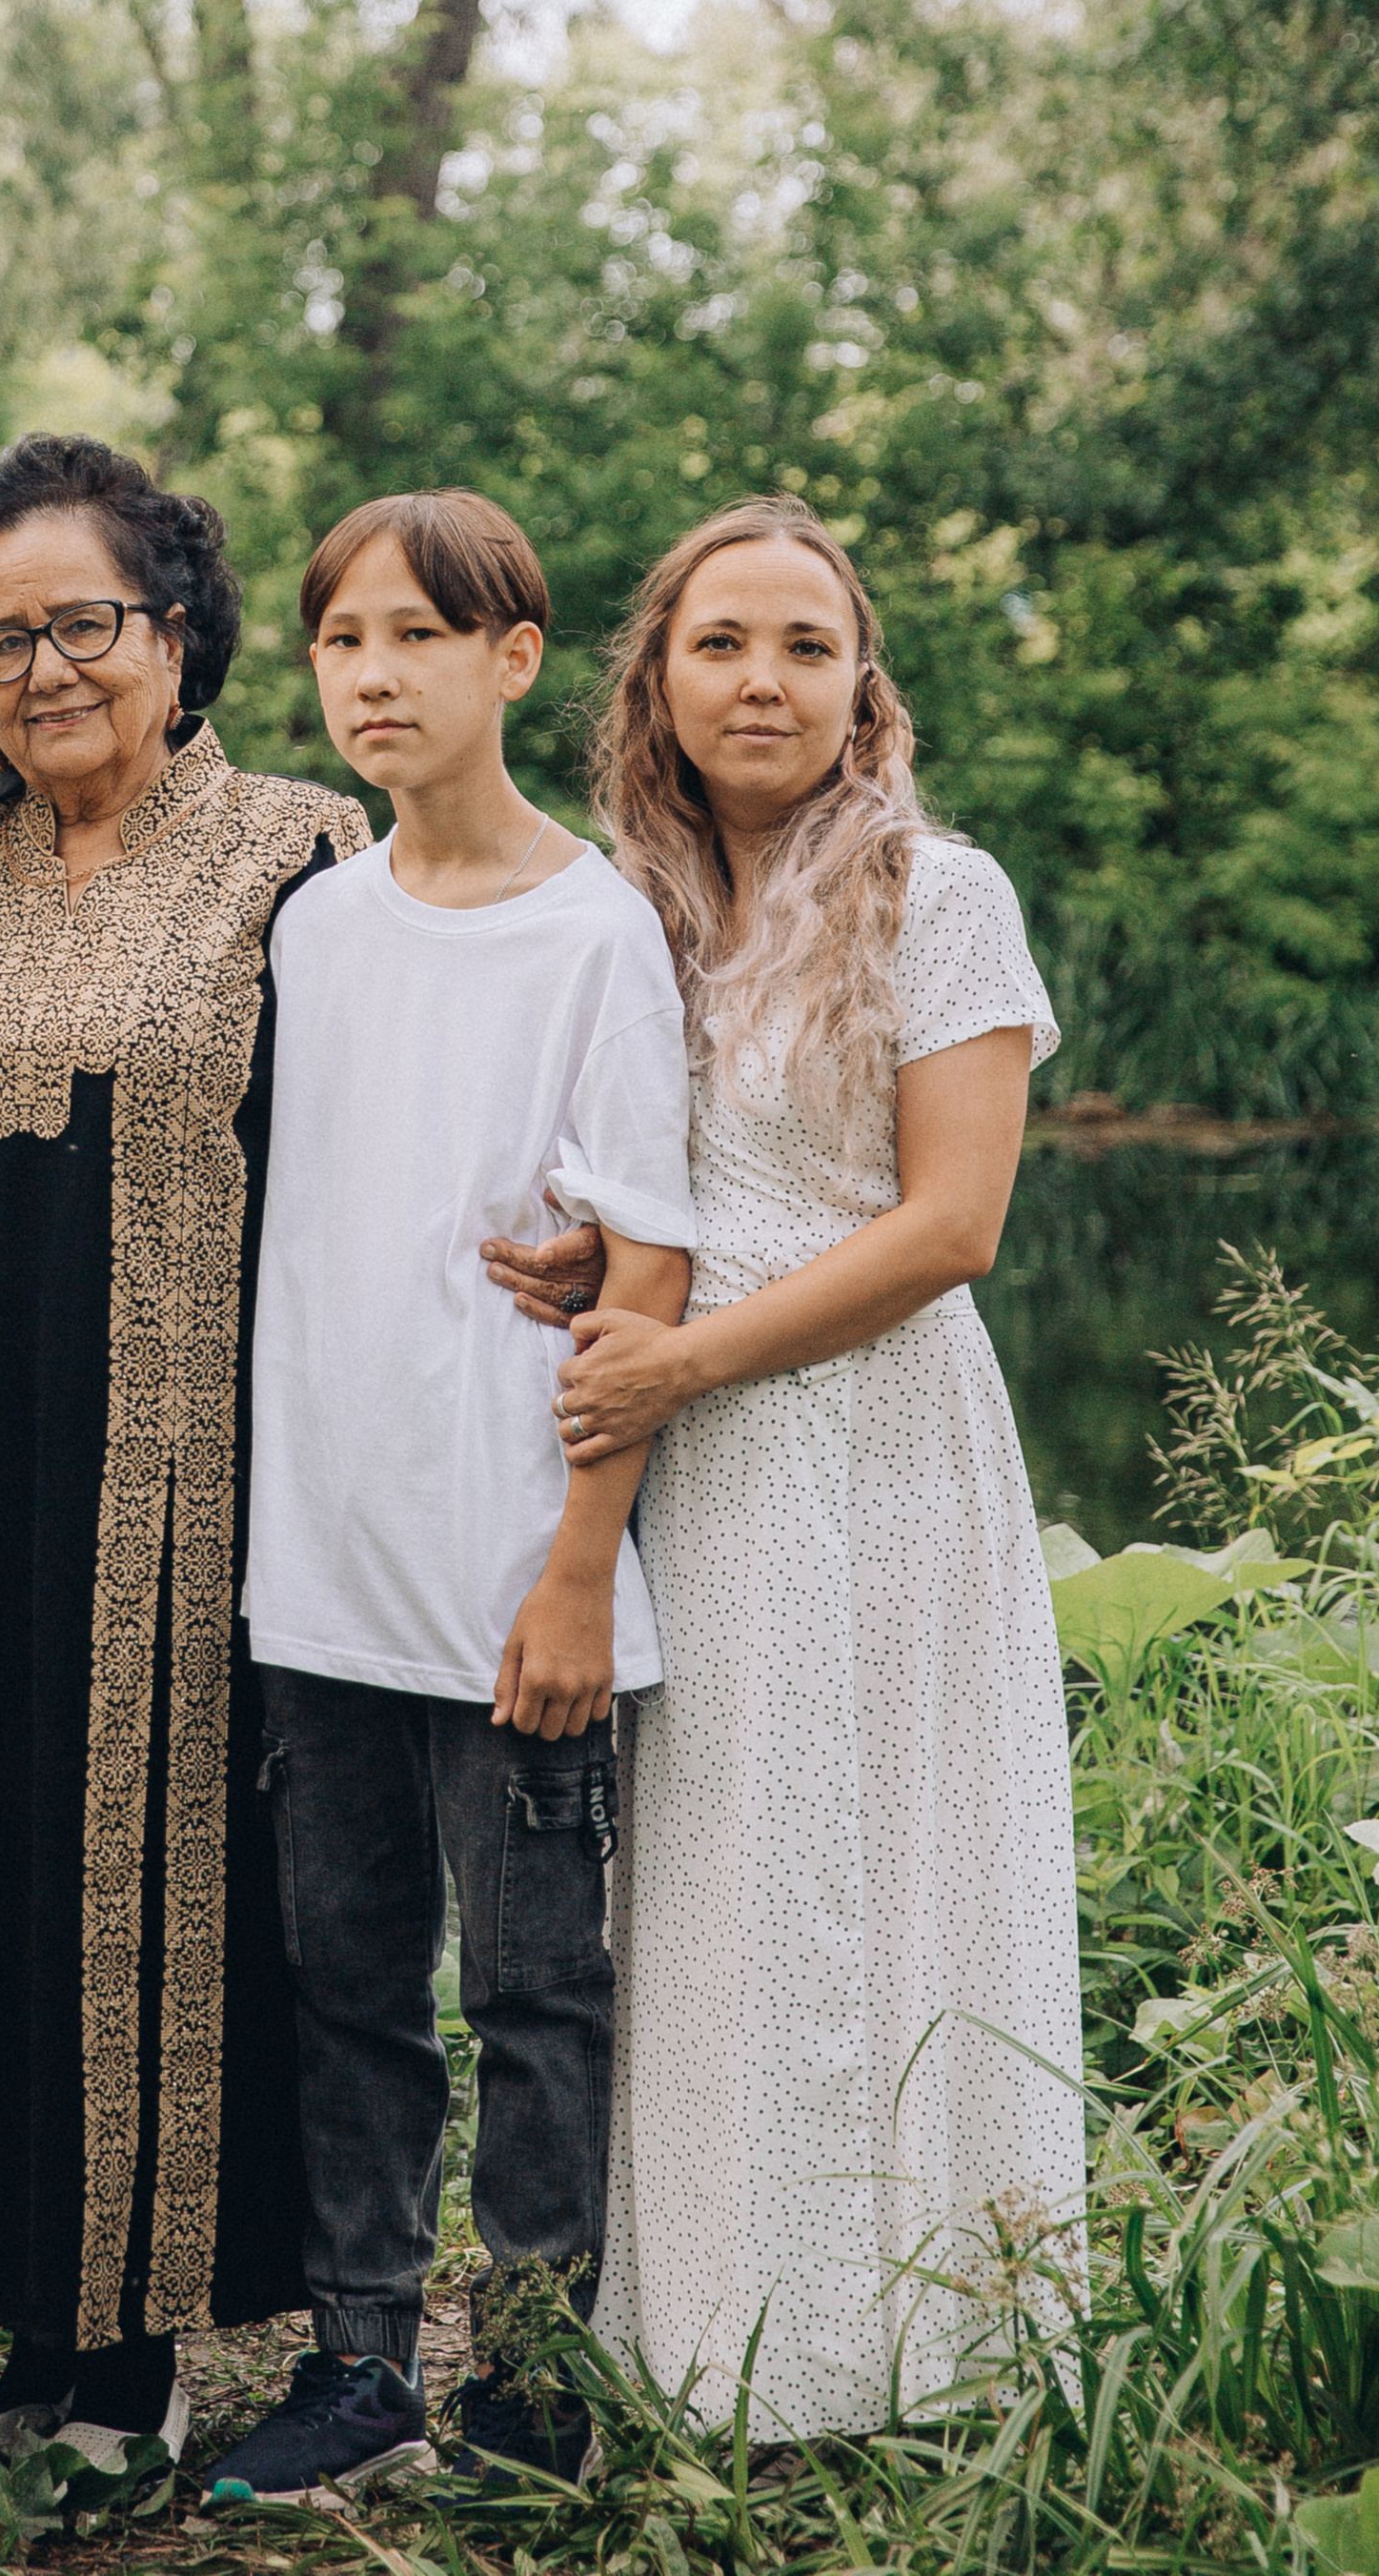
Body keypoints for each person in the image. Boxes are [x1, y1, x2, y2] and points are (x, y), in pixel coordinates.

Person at [485, 494, 1084, 2441]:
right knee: (719, 1877)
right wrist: (598, 1282)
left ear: (858, 686)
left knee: (895, 1859)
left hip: (873, 1440)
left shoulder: (940, 891)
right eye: (720, 642)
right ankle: (726, 2350)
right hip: (695, 1462)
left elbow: (942, 1232)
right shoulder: (624, 904)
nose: (760, 680)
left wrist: (677, 1358)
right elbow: (693, 1193)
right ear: (652, 680)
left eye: (802, 647)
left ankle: (936, 2347)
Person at [0, 435, 368, 2463]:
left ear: (176, 632)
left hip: (190, 1468)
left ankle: (138, 2356)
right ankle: (12, 2340)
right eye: (1, 640)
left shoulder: (299, 855)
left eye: (85, 623)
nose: (44, 669)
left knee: (152, 1879)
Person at [202, 492, 695, 2510]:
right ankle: (357, 2361)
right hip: (320, 1565)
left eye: (418, 636)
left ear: (513, 660)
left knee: (534, 1995)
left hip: (513, 1572)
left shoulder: (596, 932)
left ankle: (540, 2377)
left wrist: (578, 1573)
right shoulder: (315, 921)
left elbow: (642, 1270)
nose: (374, 675)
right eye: (339, 642)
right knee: (346, 1985)